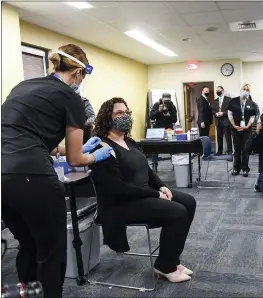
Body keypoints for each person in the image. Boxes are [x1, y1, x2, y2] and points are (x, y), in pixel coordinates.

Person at [1, 44, 112, 298]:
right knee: (51, 252)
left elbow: (31, 139)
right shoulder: (71, 97)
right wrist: (94, 155)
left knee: (27, 244)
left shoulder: (23, 87)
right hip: (33, 179)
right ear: (78, 73)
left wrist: (72, 148)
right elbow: (76, 159)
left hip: (3, 178)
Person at [90, 97, 196, 283]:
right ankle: (165, 266)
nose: (125, 116)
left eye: (126, 112)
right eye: (119, 113)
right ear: (108, 117)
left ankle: (171, 258)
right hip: (121, 204)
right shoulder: (103, 147)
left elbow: (147, 171)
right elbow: (117, 188)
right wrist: (156, 194)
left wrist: (161, 186)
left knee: (188, 202)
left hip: (142, 195)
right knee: (177, 212)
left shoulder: (129, 142)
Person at [228, 86, 257, 177]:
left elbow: (252, 117)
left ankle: (245, 168)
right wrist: (234, 125)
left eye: (247, 90)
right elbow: (230, 114)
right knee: (237, 149)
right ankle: (236, 168)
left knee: (245, 149)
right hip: (235, 128)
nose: (245, 91)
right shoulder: (233, 101)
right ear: (240, 90)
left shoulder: (251, 103)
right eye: (244, 89)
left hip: (246, 129)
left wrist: (247, 126)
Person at [149, 93, 178, 169]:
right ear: (162, 99)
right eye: (165, 101)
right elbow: (151, 117)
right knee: (155, 149)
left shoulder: (172, 106)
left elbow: (175, 120)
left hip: (169, 128)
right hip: (158, 129)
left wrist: (169, 115)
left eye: (168, 101)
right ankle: (154, 165)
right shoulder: (157, 105)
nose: (166, 102)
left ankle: (175, 165)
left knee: (172, 148)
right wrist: (158, 110)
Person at [212, 86, 232, 154]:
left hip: (226, 121)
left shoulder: (229, 100)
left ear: (222, 90)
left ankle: (229, 151)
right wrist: (216, 114)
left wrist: (223, 113)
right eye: (216, 90)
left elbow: (230, 110)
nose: (218, 91)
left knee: (228, 137)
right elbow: (213, 110)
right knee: (219, 137)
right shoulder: (215, 101)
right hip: (218, 121)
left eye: (219, 90)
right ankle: (219, 151)